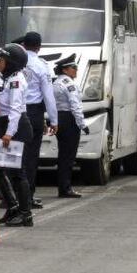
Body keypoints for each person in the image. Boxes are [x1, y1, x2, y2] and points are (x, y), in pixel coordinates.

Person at [0, 44, 34, 227]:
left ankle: (25, 213)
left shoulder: (16, 81)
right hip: (6, 126)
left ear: (12, 62)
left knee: (17, 173)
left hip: (15, 128)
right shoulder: (9, 79)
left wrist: (9, 133)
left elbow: (15, 109)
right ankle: (13, 206)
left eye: (2, 61)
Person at [14, 32, 56, 209]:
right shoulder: (41, 66)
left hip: (15, 111)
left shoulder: (15, 62)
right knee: (31, 157)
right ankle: (27, 197)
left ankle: (12, 198)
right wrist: (53, 120)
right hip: (34, 113)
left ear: (23, 44)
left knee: (15, 154)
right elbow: (48, 95)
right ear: (39, 47)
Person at [52, 55, 87, 198]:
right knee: (68, 156)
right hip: (69, 120)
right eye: (74, 68)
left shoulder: (56, 83)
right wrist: (82, 124)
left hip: (59, 118)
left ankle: (63, 186)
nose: (76, 70)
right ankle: (65, 188)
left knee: (63, 155)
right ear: (65, 70)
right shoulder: (69, 84)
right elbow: (75, 105)